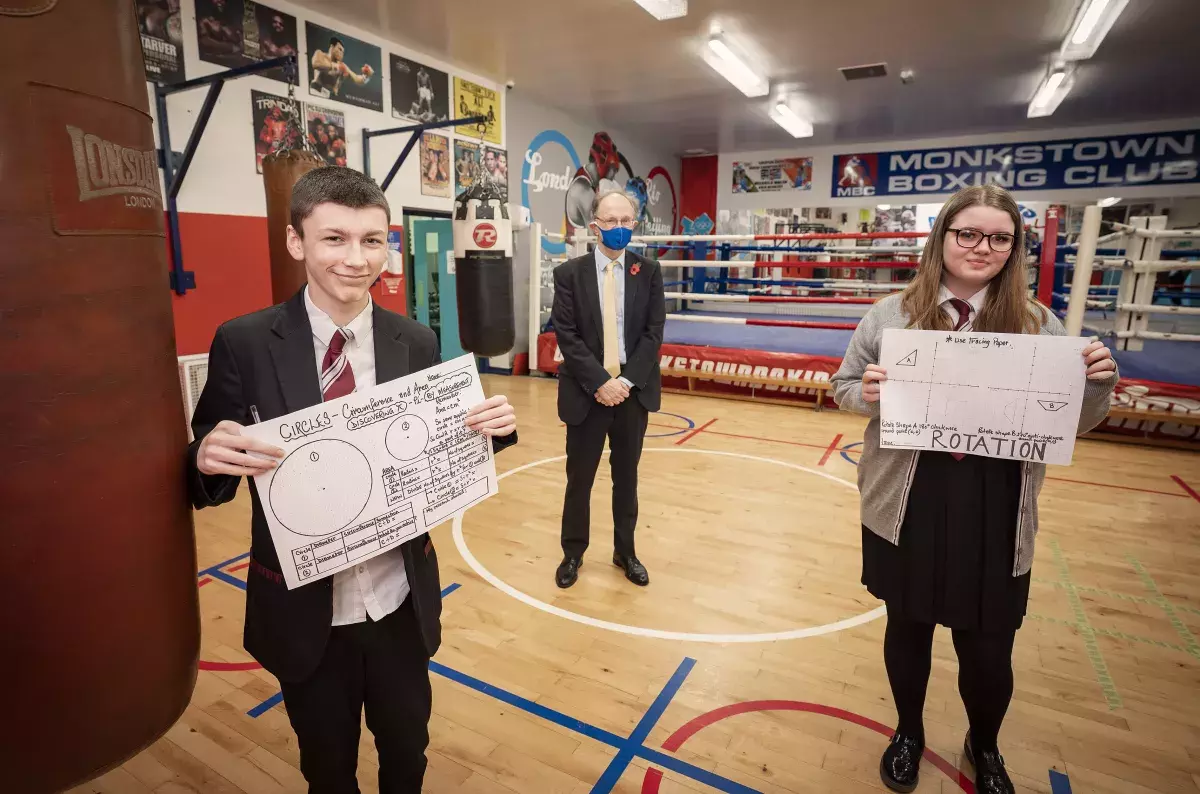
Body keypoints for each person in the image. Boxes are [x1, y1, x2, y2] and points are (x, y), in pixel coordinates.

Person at [186, 167, 517, 793]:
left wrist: (491, 429)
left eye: (372, 240)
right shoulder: (245, 342)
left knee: (407, 756)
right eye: (334, 239)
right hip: (305, 609)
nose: (356, 258)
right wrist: (206, 459)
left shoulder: (415, 340)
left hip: (399, 599)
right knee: (327, 768)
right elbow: (209, 469)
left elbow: (436, 448)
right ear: (296, 242)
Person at [831, 185, 1117, 794]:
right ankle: (908, 731)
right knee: (906, 628)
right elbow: (844, 385)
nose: (981, 247)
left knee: (988, 650)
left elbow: (1073, 422)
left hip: (996, 504)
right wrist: (868, 394)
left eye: (999, 237)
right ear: (943, 239)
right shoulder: (890, 314)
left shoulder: (1040, 324)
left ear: (1014, 248)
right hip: (906, 499)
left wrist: (1094, 386)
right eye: (967, 233)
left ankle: (984, 745)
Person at [551, 190, 665, 589]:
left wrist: (626, 381)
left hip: (633, 395)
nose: (619, 228)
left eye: (626, 221)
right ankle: (573, 553)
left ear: (634, 223)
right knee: (579, 479)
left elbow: (653, 334)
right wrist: (601, 382)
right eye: (610, 220)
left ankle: (625, 551)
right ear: (594, 224)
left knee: (626, 479)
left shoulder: (648, 272)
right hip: (587, 394)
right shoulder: (569, 274)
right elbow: (567, 335)